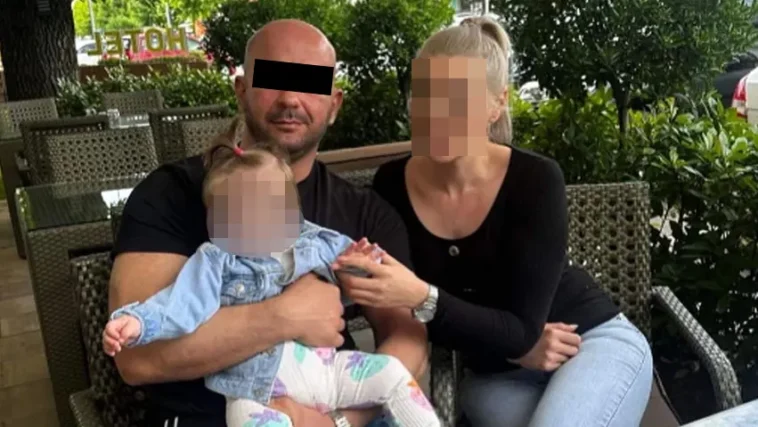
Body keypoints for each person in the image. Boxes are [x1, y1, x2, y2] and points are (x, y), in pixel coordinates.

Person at [334, 17, 654, 427]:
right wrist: (512, 343)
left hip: (587, 341)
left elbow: (514, 328)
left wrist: (421, 295)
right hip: (497, 375)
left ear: (496, 103)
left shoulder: (535, 180)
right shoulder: (391, 185)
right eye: (425, 95)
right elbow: (412, 322)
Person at [109, 19, 428, 427]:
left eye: (309, 83)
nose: (290, 98)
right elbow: (136, 359)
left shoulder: (364, 212)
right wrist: (285, 316)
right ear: (241, 90)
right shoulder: (172, 194)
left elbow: (407, 336)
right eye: (274, 79)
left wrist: (336, 421)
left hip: (334, 401)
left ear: (334, 105)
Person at [104, 134, 439, 427]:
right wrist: (138, 321)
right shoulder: (216, 262)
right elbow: (181, 304)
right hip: (257, 391)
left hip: (328, 370)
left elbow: (362, 274)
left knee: (392, 373)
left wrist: (361, 264)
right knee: (246, 419)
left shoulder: (314, 242)